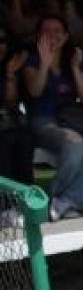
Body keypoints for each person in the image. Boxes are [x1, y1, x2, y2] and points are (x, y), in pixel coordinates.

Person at [23, 15, 83, 220]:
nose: (52, 36)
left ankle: (66, 201)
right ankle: (49, 200)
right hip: (44, 121)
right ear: (38, 36)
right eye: (46, 31)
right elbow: (35, 91)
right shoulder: (31, 60)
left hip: (75, 120)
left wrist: (75, 68)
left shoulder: (73, 59)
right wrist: (45, 64)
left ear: (65, 35)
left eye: (57, 31)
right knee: (74, 143)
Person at [0, 26, 34, 184]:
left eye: (2, 41)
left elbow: (11, 103)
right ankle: (6, 202)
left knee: (22, 138)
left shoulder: (10, 67)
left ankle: (24, 198)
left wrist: (10, 75)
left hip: (8, 124)